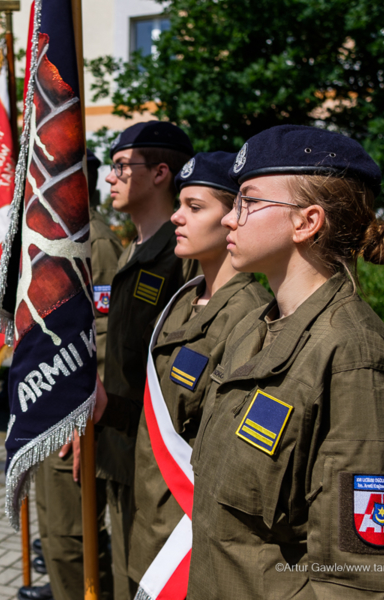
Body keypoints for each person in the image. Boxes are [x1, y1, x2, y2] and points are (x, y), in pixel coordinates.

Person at [186, 125, 384, 598]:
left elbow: (359, 582)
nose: (229, 218)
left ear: (307, 222)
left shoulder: (353, 360)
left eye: (248, 200)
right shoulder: (255, 329)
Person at [126, 152, 272, 598]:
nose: (176, 217)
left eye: (195, 207)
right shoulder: (185, 300)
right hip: (151, 519)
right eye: (180, 205)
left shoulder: (249, 315)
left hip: (188, 539)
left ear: (232, 218)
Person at [66, 121, 199, 600]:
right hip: (123, 448)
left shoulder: (184, 259)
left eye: (123, 165)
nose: (109, 177)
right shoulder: (129, 255)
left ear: (162, 172)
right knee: (125, 580)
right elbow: (112, 357)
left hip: (161, 463)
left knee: (151, 583)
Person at [21, 151, 122, 600]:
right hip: (50, 411)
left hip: (73, 420)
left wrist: (83, 413)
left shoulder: (94, 243)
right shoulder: (57, 238)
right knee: (54, 530)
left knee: (71, 539)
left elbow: (103, 337)